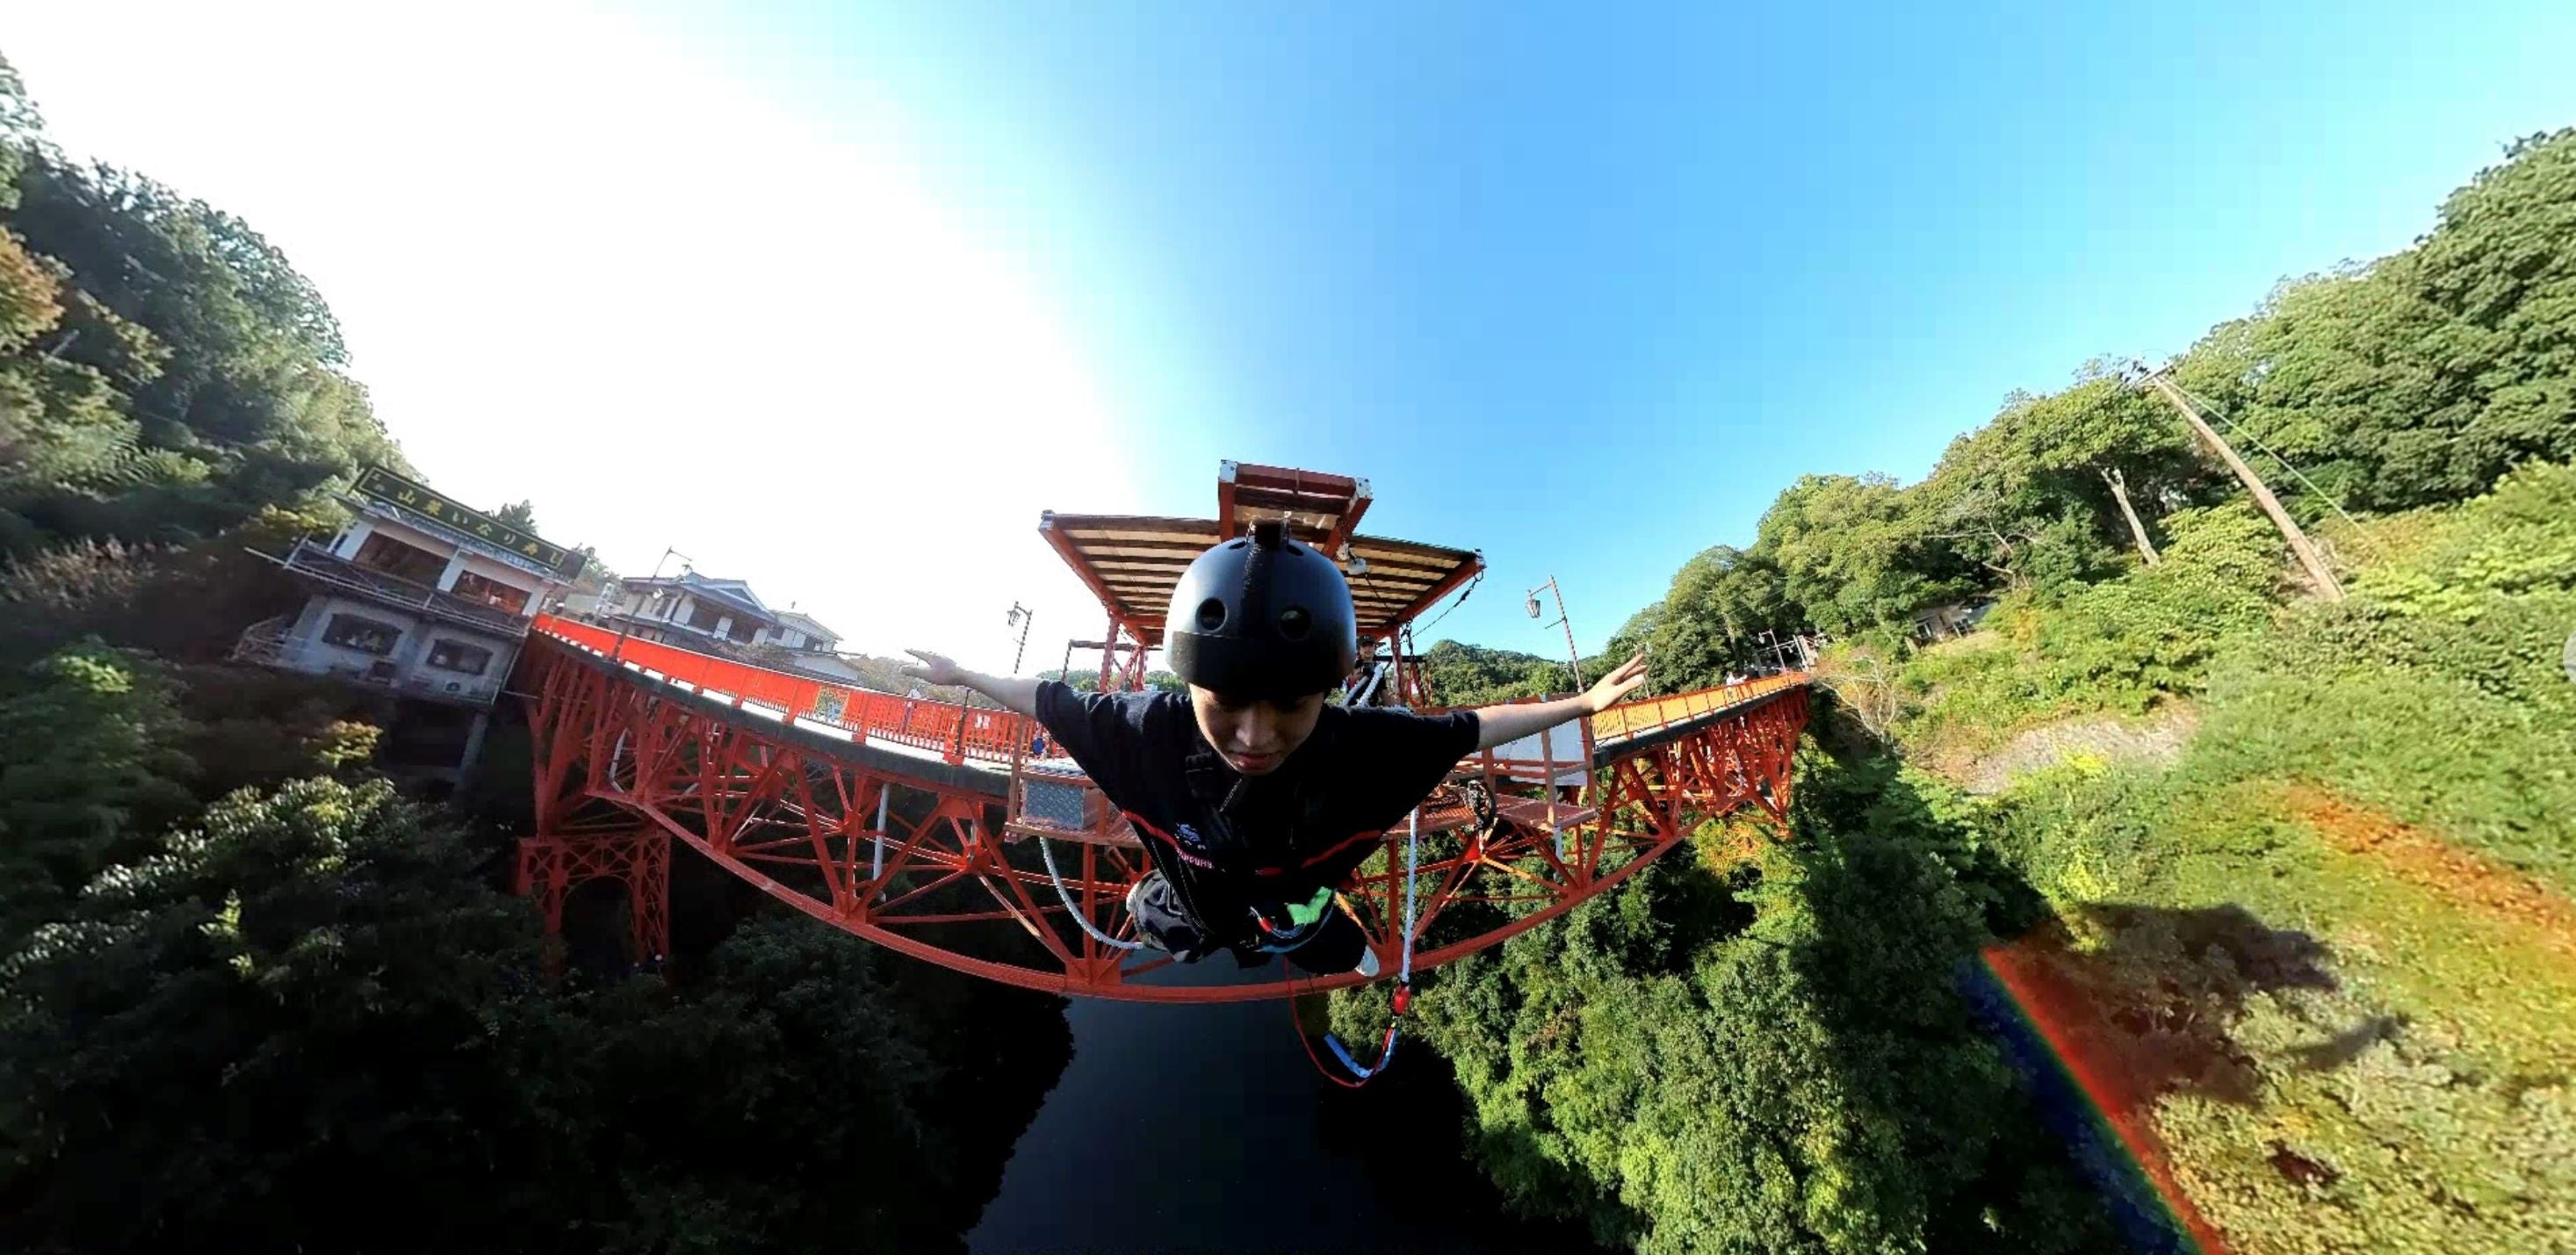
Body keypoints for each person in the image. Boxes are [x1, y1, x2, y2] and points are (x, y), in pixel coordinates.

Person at [903, 520, 1649, 977]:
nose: (1254, 739)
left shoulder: (1365, 748)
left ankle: (1312, 945)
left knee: (1312, 935)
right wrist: (964, 674)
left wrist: (1583, 703)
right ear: (1186, 684)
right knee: (1175, 915)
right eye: (1224, 705)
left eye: (1290, 705)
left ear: (1325, 691)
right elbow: (1048, 698)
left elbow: (1473, 726)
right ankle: (1175, 910)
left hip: (1289, 907)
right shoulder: (1144, 734)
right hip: (1205, 904)